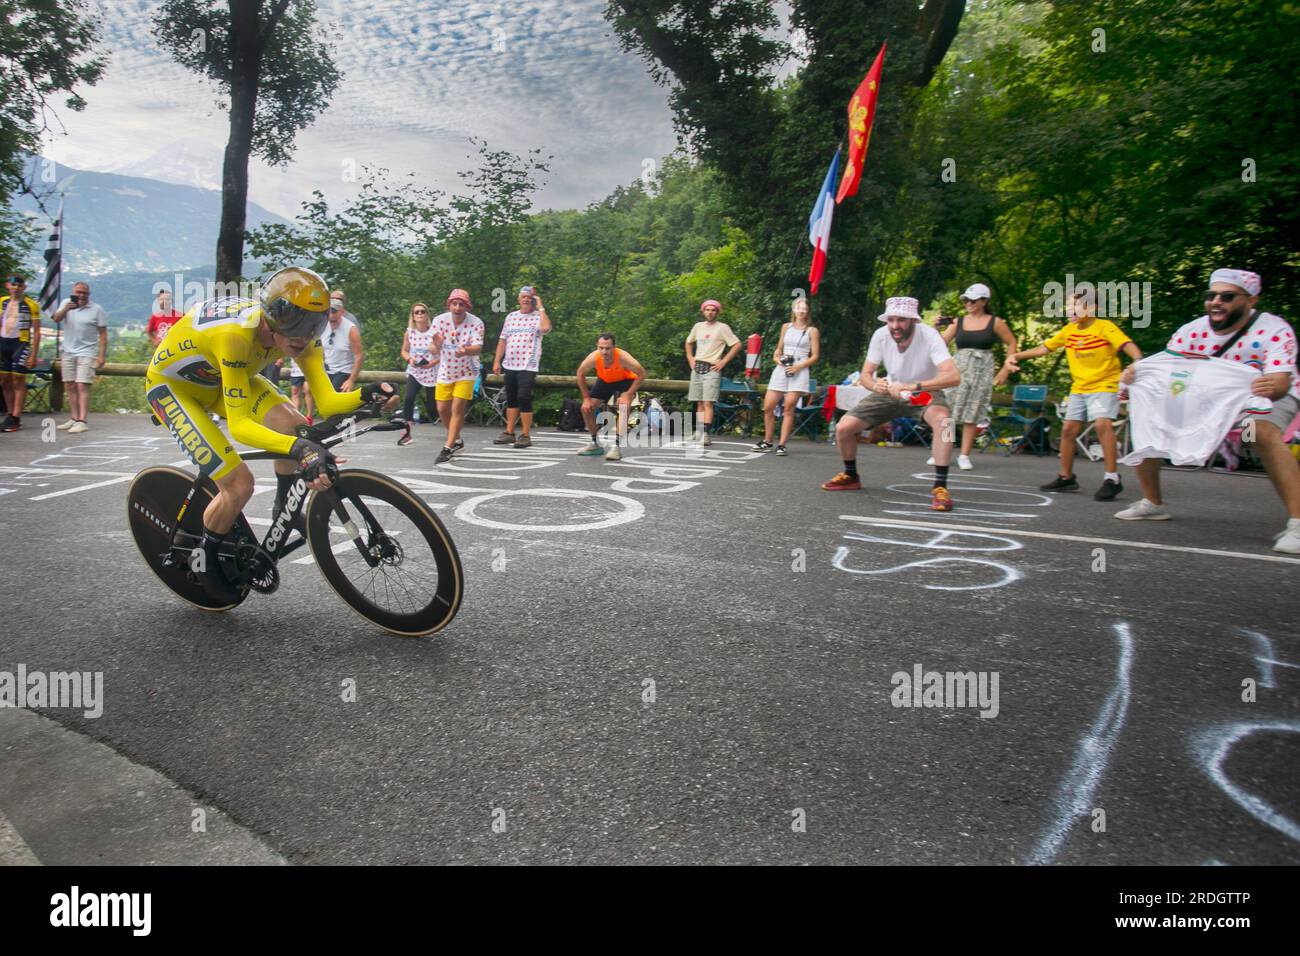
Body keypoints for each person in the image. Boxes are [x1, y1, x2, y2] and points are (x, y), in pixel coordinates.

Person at [144, 266, 397, 603]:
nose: (304, 336)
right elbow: (240, 426)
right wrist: (299, 450)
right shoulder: (235, 336)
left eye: (314, 324)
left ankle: (283, 506)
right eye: (296, 324)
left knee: (295, 425)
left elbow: (327, 401)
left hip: (220, 379)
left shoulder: (303, 338)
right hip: (175, 388)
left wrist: (367, 396)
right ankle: (205, 561)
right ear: (272, 316)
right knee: (238, 484)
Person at [1114, 269, 1300, 553]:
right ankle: (1153, 503)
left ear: (1251, 300)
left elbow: (1280, 384)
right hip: (1208, 397)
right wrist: (1135, 374)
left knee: (1260, 431)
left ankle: (1298, 524)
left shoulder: (1275, 329)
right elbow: (1166, 367)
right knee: (1148, 413)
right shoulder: (1192, 331)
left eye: (1227, 296)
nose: (1216, 302)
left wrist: (1272, 385)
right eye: (1211, 296)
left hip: (1264, 397)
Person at [821, 296, 961, 511]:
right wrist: (875, 386)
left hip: (922, 391)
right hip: (890, 391)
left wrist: (914, 386)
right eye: (891, 320)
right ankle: (851, 475)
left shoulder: (930, 336)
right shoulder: (880, 335)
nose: (895, 326)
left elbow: (953, 377)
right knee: (843, 428)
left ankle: (940, 487)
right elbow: (867, 374)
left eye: (901, 320)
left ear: (913, 321)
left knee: (946, 424)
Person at [1007, 289, 1142, 501]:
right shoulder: (1069, 330)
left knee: (1101, 425)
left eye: (1076, 305)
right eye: (1069, 306)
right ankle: (1066, 477)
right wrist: (1017, 356)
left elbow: (1128, 345)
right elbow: (1044, 348)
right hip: (1079, 387)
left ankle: (1112, 479)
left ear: (1092, 308)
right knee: (1069, 429)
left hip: (1104, 384)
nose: (1070, 309)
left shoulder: (1105, 327)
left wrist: (1136, 362)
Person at [939, 283, 1017, 470]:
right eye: (966, 300)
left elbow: (1012, 341)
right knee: (948, 410)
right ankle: (943, 450)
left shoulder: (995, 322)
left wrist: (1006, 368)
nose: (969, 303)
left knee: (972, 412)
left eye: (973, 300)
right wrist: (935, 328)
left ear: (984, 301)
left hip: (982, 369)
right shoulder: (958, 322)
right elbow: (940, 343)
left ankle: (964, 455)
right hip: (959, 367)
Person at [754, 298, 819, 455]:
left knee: (789, 407)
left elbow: (815, 356)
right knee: (769, 405)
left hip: (800, 368)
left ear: (808, 311)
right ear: (794, 310)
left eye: (804, 308)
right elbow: (779, 349)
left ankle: (782, 444)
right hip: (782, 368)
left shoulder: (812, 331)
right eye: (798, 308)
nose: (801, 311)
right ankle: (768, 440)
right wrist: (778, 359)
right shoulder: (786, 327)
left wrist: (798, 367)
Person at [492, 286, 552, 448]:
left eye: (529, 298)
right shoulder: (511, 317)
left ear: (533, 300)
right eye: (523, 297)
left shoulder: (538, 316)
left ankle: (525, 435)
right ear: (519, 299)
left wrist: (540, 306)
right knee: (511, 398)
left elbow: (546, 328)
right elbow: (502, 340)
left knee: (524, 397)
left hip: (528, 365)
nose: (526, 300)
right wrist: (497, 361)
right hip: (510, 363)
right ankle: (509, 432)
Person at [430, 289, 485, 464]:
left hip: (467, 371)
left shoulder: (476, 323)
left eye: (461, 304)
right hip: (446, 370)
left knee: (457, 408)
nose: (457, 308)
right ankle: (457, 440)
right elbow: (432, 347)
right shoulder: (439, 320)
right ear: (449, 305)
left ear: (466, 306)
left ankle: (447, 447)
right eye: (454, 304)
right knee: (442, 409)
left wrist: (465, 350)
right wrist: (436, 346)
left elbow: (478, 348)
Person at [575, 333, 646, 461]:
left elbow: (642, 374)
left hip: (625, 380)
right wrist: (586, 398)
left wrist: (628, 394)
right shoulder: (593, 357)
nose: (604, 352)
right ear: (597, 347)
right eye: (601, 348)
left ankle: (617, 447)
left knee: (624, 407)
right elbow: (580, 374)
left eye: (607, 348)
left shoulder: (624, 358)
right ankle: (595, 444)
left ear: (614, 347)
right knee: (586, 408)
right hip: (605, 380)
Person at [50, 281, 108, 434]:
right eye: (78, 292)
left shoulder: (97, 309)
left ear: (89, 295)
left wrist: (101, 355)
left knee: (82, 385)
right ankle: (74, 418)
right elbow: (55, 319)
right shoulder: (65, 304)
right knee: (69, 385)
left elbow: (103, 333)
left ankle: (82, 420)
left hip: (87, 351)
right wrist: (65, 309)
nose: (81, 296)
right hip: (68, 350)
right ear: (73, 292)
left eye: (84, 293)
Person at [685, 299, 742, 445]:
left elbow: (737, 345)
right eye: (707, 310)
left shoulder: (722, 328)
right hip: (698, 365)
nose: (710, 312)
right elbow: (688, 342)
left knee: (708, 401)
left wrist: (724, 361)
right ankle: (698, 430)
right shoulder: (698, 326)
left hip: (712, 367)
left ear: (717, 312)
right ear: (703, 311)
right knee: (698, 402)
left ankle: (706, 433)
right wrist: (690, 357)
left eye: (713, 310)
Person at [0, 273, 41, 432]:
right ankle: (10, 414)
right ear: (7, 286)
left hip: (21, 343)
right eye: (13, 285)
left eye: (19, 285)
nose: (16, 288)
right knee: (4, 380)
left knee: (18, 378)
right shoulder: (2, 302)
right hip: (3, 342)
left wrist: (33, 354)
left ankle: (16, 416)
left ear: (24, 287)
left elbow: (37, 331)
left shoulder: (31, 305)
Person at [398, 302, 438, 446]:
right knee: (408, 399)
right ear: (413, 316)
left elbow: (442, 353)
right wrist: (410, 359)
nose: (420, 314)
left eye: (422, 312)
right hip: (415, 371)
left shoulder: (434, 333)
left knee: (433, 409)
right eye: (417, 312)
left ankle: (452, 431)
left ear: (427, 315)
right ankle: (406, 433)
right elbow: (404, 350)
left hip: (431, 371)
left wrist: (432, 363)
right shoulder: (409, 332)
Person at [322, 293, 363, 390]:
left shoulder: (351, 329)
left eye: (334, 311)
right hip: (327, 369)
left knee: (335, 395)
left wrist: (351, 380)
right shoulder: (322, 325)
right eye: (329, 311)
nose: (331, 315)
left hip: (344, 370)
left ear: (342, 312)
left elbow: (359, 356)